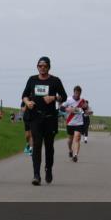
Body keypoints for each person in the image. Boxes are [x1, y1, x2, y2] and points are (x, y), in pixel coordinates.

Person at [21, 56, 67, 185]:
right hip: (35, 117)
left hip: (50, 118)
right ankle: (36, 175)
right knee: (36, 145)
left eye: (45, 66)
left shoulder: (55, 81)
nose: (42, 68)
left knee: (49, 146)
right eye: (40, 66)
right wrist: (27, 102)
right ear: (37, 67)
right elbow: (24, 95)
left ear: (49, 67)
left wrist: (53, 98)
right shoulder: (32, 79)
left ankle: (48, 169)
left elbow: (63, 96)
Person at [61, 86, 89, 162]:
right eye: (76, 93)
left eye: (79, 93)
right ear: (74, 92)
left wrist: (87, 111)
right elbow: (61, 108)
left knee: (77, 138)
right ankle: (70, 150)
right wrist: (68, 109)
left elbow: (86, 109)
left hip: (79, 123)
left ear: (80, 93)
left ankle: (75, 155)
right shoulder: (68, 100)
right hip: (70, 122)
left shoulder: (82, 101)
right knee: (70, 139)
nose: (77, 95)